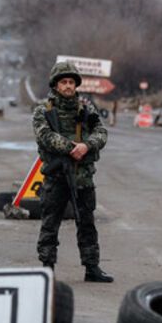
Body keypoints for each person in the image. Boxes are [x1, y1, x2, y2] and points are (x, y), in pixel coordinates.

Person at [33, 61, 113, 282]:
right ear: (56, 85)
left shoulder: (86, 109)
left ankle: (92, 267)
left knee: (87, 223)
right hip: (57, 177)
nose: (68, 86)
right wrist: (72, 148)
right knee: (50, 223)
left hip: (83, 176)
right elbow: (45, 137)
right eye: (63, 82)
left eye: (71, 82)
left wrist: (87, 146)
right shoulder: (44, 111)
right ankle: (46, 268)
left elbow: (101, 132)